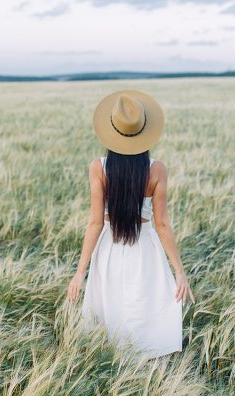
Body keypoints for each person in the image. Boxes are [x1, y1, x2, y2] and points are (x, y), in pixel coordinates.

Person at [67, 90, 194, 359]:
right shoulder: (157, 169)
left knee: (111, 307)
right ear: (145, 133)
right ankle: (144, 358)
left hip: (109, 249)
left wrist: (80, 271)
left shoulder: (98, 168)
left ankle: (112, 361)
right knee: (142, 305)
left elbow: (94, 223)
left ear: (111, 131)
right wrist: (179, 271)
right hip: (145, 247)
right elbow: (161, 224)